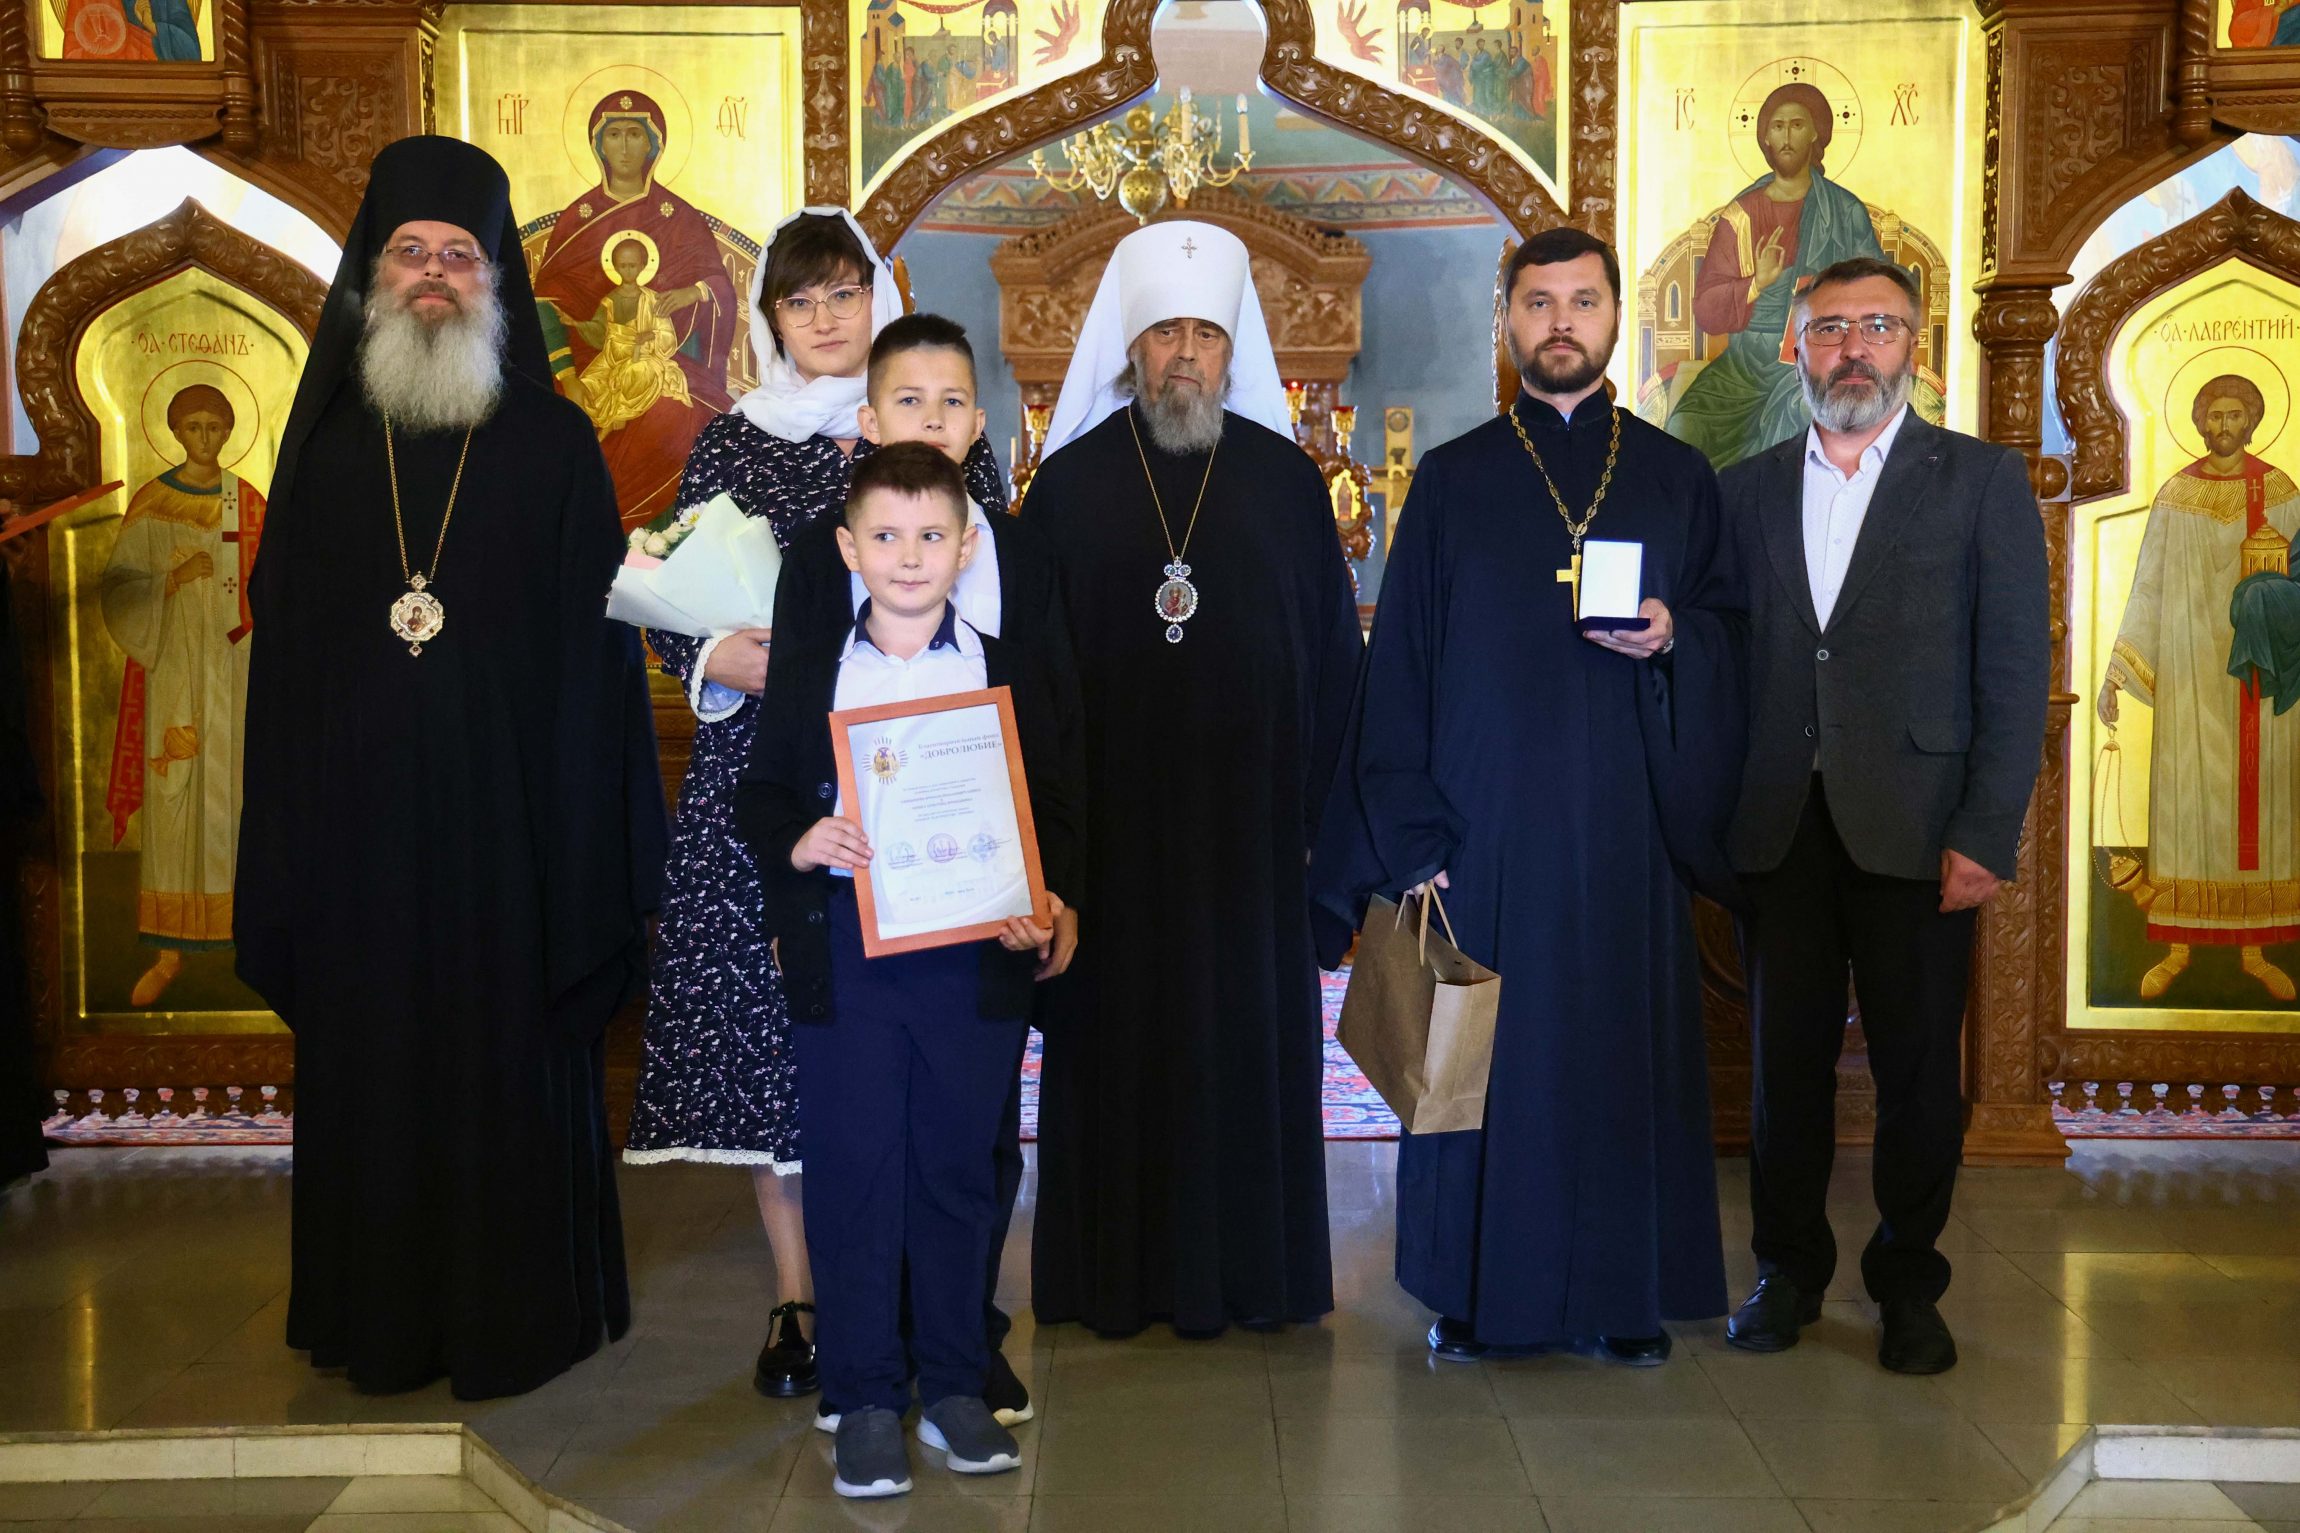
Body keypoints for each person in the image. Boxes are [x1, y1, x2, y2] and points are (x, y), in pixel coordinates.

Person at [233, 134, 667, 1398]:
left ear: (495, 281)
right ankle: (374, 1316)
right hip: (357, 842)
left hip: (506, 842)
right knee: (372, 1069)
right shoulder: (324, 453)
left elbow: (596, 664)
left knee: (505, 1066)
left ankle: (518, 1317)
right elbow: (288, 667)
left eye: (459, 255)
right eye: (409, 252)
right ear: (372, 275)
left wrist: (578, 843)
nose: (432, 274)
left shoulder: (552, 443)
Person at [1315, 226, 1737, 1365]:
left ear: (1614, 317)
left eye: (1581, 301)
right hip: (1481, 836)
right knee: (1481, 1069)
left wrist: (1675, 636)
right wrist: (1413, 836)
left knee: (1614, 1061)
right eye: (1537, 302)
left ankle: (1622, 1299)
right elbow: (1399, 666)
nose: (1560, 322)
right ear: (1504, 320)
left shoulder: (1674, 477)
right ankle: (1474, 1293)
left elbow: (1732, 636)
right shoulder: (1454, 481)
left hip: (1624, 833)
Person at [621, 208, 1008, 1400]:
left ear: (879, 299)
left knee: (915, 1036)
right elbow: (664, 604)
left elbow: (995, 591)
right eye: (800, 300)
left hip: (921, 774)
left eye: (845, 293)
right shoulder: (731, 443)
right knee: (774, 1048)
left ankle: (923, 1297)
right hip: (769, 781)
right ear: (769, 317)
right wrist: (711, 657)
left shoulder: (934, 426)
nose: (826, 318)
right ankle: (799, 1296)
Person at [1022, 219, 1362, 1338]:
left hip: (1250, 848)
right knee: (1116, 1057)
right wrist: (1054, 861)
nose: (1183, 355)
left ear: (1232, 349)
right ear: (1130, 348)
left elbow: (1335, 672)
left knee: (1242, 1057)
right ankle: (1112, 1283)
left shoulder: (1286, 484)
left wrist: (1319, 841)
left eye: (1204, 335)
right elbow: (1036, 682)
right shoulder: (1068, 488)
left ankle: (1254, 1278)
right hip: (1110, 848)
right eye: (1164, 333)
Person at [734, 442, 1081, 1499]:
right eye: (885, 536)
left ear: (965, 547)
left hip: (972, 963)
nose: (909, 556)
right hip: (848, 958)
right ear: (849, 549)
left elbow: (1055, 803)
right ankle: (866, 1398)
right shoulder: (815, 671)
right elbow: (763, 796)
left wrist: (1044, 898)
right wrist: (803, 841)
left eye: (932, 535)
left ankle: (955, 1384)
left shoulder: (1000, 667)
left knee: (955, 1171)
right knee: (854, 1171)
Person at [1720, 256, 2048, 1375]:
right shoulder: (1745, 489)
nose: (1852, 348)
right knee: (1784, 1071)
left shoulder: (1979, 480)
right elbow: (1722, 658)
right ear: (1794, 347)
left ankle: (1909, 1282)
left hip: (1921, 827)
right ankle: (1786, 1270)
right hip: (1779, 826)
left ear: (1915, 344)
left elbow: (2013, 670)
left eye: (1877, 326)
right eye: (1829, 329)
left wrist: (1985, 830)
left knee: (1915, 1075)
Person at [2098, 376, 2300, 1001]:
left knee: (2258, 809)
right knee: (2185, 800)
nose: (2223, 426)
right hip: (2187, 674)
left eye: (2235, 415)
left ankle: (2256, 950)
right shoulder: (2176, 495)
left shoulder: (2281, 492)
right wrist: (2116, 672)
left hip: (2257, 677)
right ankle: (2178, 946)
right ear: (2199, 422)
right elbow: (2149, 585)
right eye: (2214, 415)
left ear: (2253, 422)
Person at [100, 384, 265, 1008]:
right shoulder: (152, 502)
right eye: (193, 426)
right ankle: (169, 953)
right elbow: (118, 589)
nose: (204, 437)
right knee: (175, 791)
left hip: (238, 669)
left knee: (237, 796)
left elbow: (280, 577)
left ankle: (248, 940)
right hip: (174, 671)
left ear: (228, 432)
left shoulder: (247, 501)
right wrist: (172, 579)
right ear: (174, 432)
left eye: (215, 427)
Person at [531, 91, 739, 530]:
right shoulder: (578, 217)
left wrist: (694, 292)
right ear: (597, 145)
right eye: (614, 135)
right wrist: (568, 378)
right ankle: (587, 532)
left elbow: (720, 287)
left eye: (634, 135)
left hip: (664, 358)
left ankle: (662, 537)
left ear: (653, 144)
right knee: (557, 422)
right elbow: (545, 305)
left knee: (686, 415)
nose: (624, 146)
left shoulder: (678, 216)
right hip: (586, 362)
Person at [1666, 83, 1888, 471]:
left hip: (1817, 359)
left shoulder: (1844, 211)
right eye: (1778, 126)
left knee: (1795, 422)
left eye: (1797, 125)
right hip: (1743, 368)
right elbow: (1707, 310)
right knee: (1685, 427)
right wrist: (1757, 283)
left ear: (1816, 134)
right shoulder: (1740, 215)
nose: (1786, 136)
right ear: (1765, 137)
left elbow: (1879, 291)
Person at [569, 237, 695, 442]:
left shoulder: (653, 300)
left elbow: (668, 338)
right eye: (622, 266)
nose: (627, 271)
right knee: (587, 387)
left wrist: (652, 335)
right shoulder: (609, 301)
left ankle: (617, 417)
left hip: (644, 358)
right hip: (610, 360)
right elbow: (598, 332)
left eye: (632, 266)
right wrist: (575, 324)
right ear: (615, 267)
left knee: (637, 374)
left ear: (643, 266)